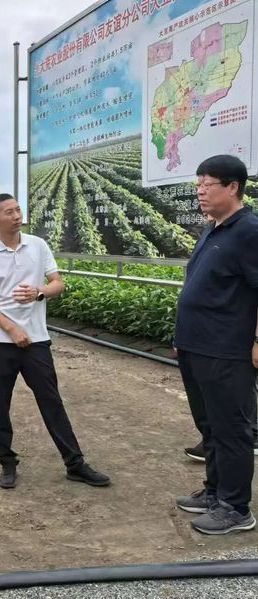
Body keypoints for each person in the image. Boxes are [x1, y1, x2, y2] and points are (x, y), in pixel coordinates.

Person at [0, 193, 110, 490]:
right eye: (9, 212)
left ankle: (75, 463)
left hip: (36, 338)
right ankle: (7, 463)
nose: (16, 216)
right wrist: (11, 329)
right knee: (0, 403)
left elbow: (57, 283)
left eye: (18, 210)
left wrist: (39, 293)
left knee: (51, 400)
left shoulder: (38, 245)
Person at [174, 155, 258, 535]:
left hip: (227, 350)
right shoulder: (213, 229)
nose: (200, 191)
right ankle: (215, 492)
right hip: (197, 346)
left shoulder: (249, 231)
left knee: (231, 429)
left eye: (207, 184)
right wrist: (183, 338)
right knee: (209, 426)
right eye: (198, 185)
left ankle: (236, 508)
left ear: (233, 187)